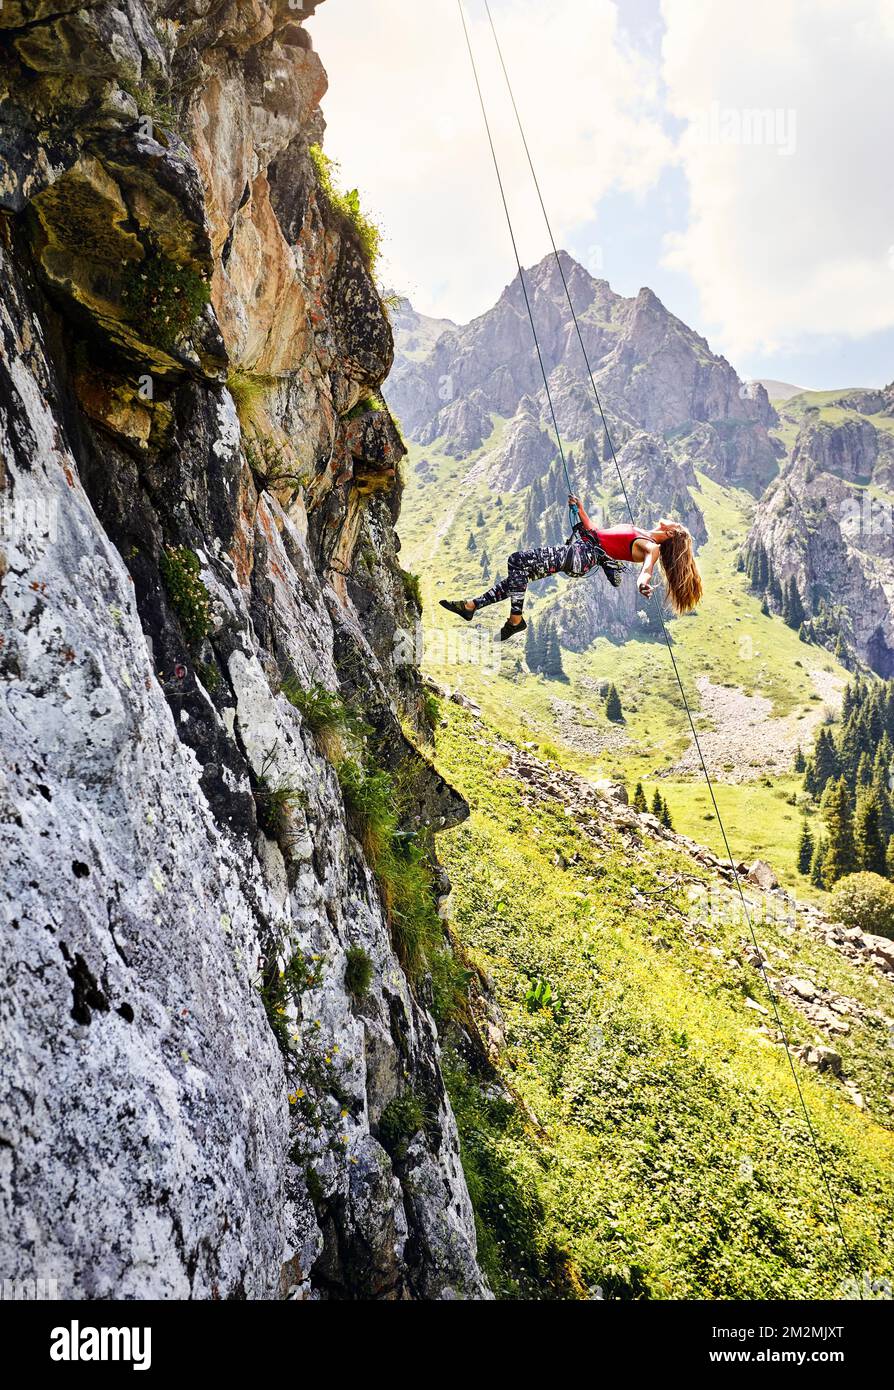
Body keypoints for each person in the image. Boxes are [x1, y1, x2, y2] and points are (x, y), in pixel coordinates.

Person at [440, 494, 703, 640]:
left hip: (581, 555)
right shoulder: (641, 532)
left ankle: (516, 620)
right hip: (584, 549)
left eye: (675, 524)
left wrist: (643, 582)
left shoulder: (650, 545)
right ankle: (472, 607)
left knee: (517, 561)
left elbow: (647, 567)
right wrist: (581, 509)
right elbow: (596, 532)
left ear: (670, 534)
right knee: (520, 576)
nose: (671, 521)